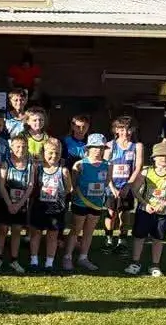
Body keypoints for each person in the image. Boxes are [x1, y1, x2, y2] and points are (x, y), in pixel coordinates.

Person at [125, 141, 166, 277]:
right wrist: (145, 204)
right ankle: (135, 262)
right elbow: (135, 189)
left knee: (158, 237)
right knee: (139, 236)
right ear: (154, 158)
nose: (165, 159)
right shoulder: (146, 172)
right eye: (162, 156)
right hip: (144, 210)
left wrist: (165, 203)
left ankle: (155, 265)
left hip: (162, 212)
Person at [64, 133, 112, 272]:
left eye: (101, 148)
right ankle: (67, 256)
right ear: (88, 148)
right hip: (80, 202)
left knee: (89, 231)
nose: (98, 151)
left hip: (96, 203)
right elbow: (74, 184)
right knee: (76, 229)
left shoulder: (108, 165)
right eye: (95, 147)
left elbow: (107, 181)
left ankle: (83, 257)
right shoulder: (79, 164)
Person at [0, 134, 34, 273]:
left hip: (21, 203)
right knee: (3, 229)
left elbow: (30, 186)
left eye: (23, 147)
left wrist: (19, 204)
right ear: (11, 147)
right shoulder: (6, 163)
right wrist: (9, 203)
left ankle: (14, 260)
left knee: (17, 230)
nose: (20, 149)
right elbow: (1, 185)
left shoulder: (30, 165)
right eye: (17, 146)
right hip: (6, 201)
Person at [29, 138, 71, 273]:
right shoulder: (38, 168)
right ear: (43, 153)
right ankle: (34, 261)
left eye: (57, 153)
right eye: (50, 153)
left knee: (52, 236)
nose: (54, 156)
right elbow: (33, 186)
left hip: (56, 208)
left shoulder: (63, 170)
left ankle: (49, 263)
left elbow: (69, 189)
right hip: (40, 206)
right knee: (36, 234)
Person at [103, 116, 143, 253]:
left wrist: (129, 185)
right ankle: (108, 239)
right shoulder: (109, 145)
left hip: (127, 186)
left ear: (133, 130)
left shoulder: (137, 146)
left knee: (124, 214)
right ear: (116, 130)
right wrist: (111, 186)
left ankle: (122, 240)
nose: (125, 132)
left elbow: (138, 167)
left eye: (128, 129)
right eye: (121, 129)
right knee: (111, 213)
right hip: (111, 185)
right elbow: (105, 167)